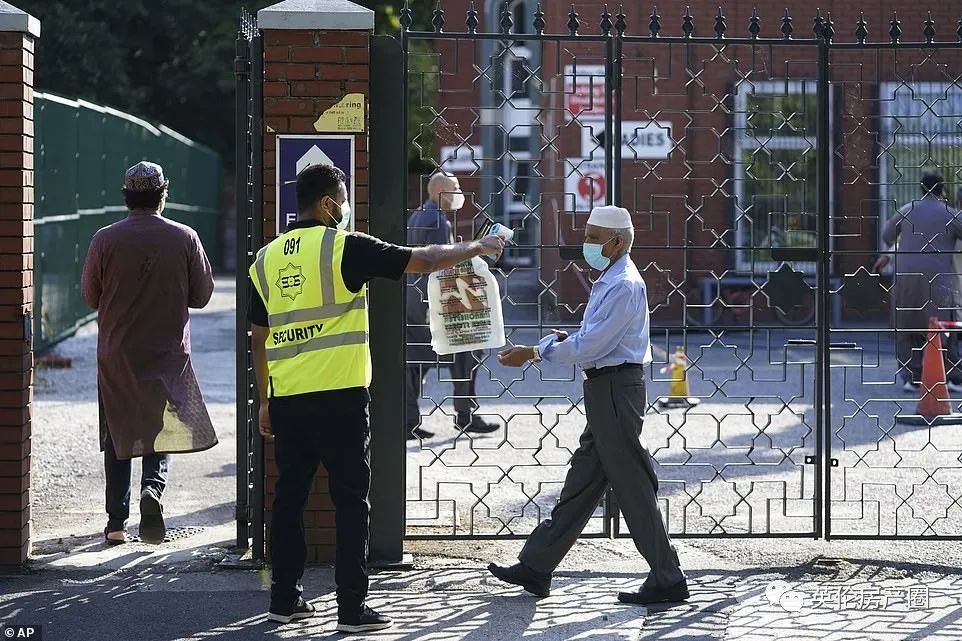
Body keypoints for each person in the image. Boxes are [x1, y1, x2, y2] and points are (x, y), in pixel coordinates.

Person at [248, 164, 504, 632]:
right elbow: (424, 259)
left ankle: (284, 599)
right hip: (340, 398)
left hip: (287, 400)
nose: (344, 208)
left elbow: (259, 336)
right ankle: (351, 610)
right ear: (328, 204)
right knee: (350, 503)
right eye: (341, 200)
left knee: (288, 500)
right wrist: (478, 246)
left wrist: (265, 398)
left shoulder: (264, 260)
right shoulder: (345, 246)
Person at [489, 205, 689, 606]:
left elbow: (594, 345)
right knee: (582, 483)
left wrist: (534, 351)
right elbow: (594, 337)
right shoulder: (611, 279)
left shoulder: (623, 285)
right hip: (606, 390)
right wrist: (563, 341)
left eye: (595, 237)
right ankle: (537, 566)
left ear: (617, 241)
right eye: (588, 235)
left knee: (631, 485)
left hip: (616, 390)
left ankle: (667, 575)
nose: (588, 243)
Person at [80, 161, 217, 546]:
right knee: (160, 429)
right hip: (167, 353)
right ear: (163, 193)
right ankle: (152, 492)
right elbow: (203, 296)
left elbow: (90, 297)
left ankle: (116, 523)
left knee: (119, 432)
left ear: (126, 196)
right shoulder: (185, 237)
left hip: (116, 353)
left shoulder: (104, 240)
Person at [405, 172, 500, 440]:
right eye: (455, 188)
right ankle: (465, 415)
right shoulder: (436, 220)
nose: (459, 192)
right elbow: (440, 261)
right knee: (467, 352)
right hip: (433, 300)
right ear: (439, 192)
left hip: (414, 298)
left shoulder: (418, 215)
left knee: (415, 361)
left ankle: (408, 420)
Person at [874, 173, 962, 393]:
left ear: (921, 189)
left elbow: (887, 235)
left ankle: (910, 377)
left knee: (907, 325)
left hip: (906, 278)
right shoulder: (950, 215)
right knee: (944, 325)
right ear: (942, 190)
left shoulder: (906, 210)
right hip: (939, 278)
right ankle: (950, 375)